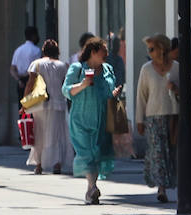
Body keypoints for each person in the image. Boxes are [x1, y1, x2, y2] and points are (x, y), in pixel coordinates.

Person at [62, 36, 122, 205]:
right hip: (81, 120)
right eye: (104, 51)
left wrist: (114, 94)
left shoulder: (108, 69)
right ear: (93, 52)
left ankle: (91, 189)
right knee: (87, 154)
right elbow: (66, 90)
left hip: (103, 120)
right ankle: (92, 186)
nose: (107, 54)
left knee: (97, 155)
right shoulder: (77, 68)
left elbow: (108, 91)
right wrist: (83, 84)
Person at [136, 34, 179, 203]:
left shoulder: (176, 67)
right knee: (158, 153)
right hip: (153, 117)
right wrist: (139, 120)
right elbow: (141, 96)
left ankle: (170, 183)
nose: (150, 52)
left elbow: (186, 92)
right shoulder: (146, 69)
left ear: (162, 48)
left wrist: (176, 89)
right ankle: (161, 188)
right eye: (149, 49)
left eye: (152, 49)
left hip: (173, 115)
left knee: (172, 152)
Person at [24, 39, 72, 174]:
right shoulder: (63, 66)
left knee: (39, 133)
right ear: (57, 51)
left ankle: (39, 164)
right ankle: (57, 164)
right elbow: (65, 86)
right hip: (59, 104)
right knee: (56, 134)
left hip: (40, 104)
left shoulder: (36, 64)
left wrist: (25, 102)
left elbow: (30, 83)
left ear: (43, 51)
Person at [10, 26, 40, 90]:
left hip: (21, 82)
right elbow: (38, 68)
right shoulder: (36, 50)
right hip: (32, 81)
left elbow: (12, 69)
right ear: (33, 36)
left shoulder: (18, 50)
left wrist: (19, 81)